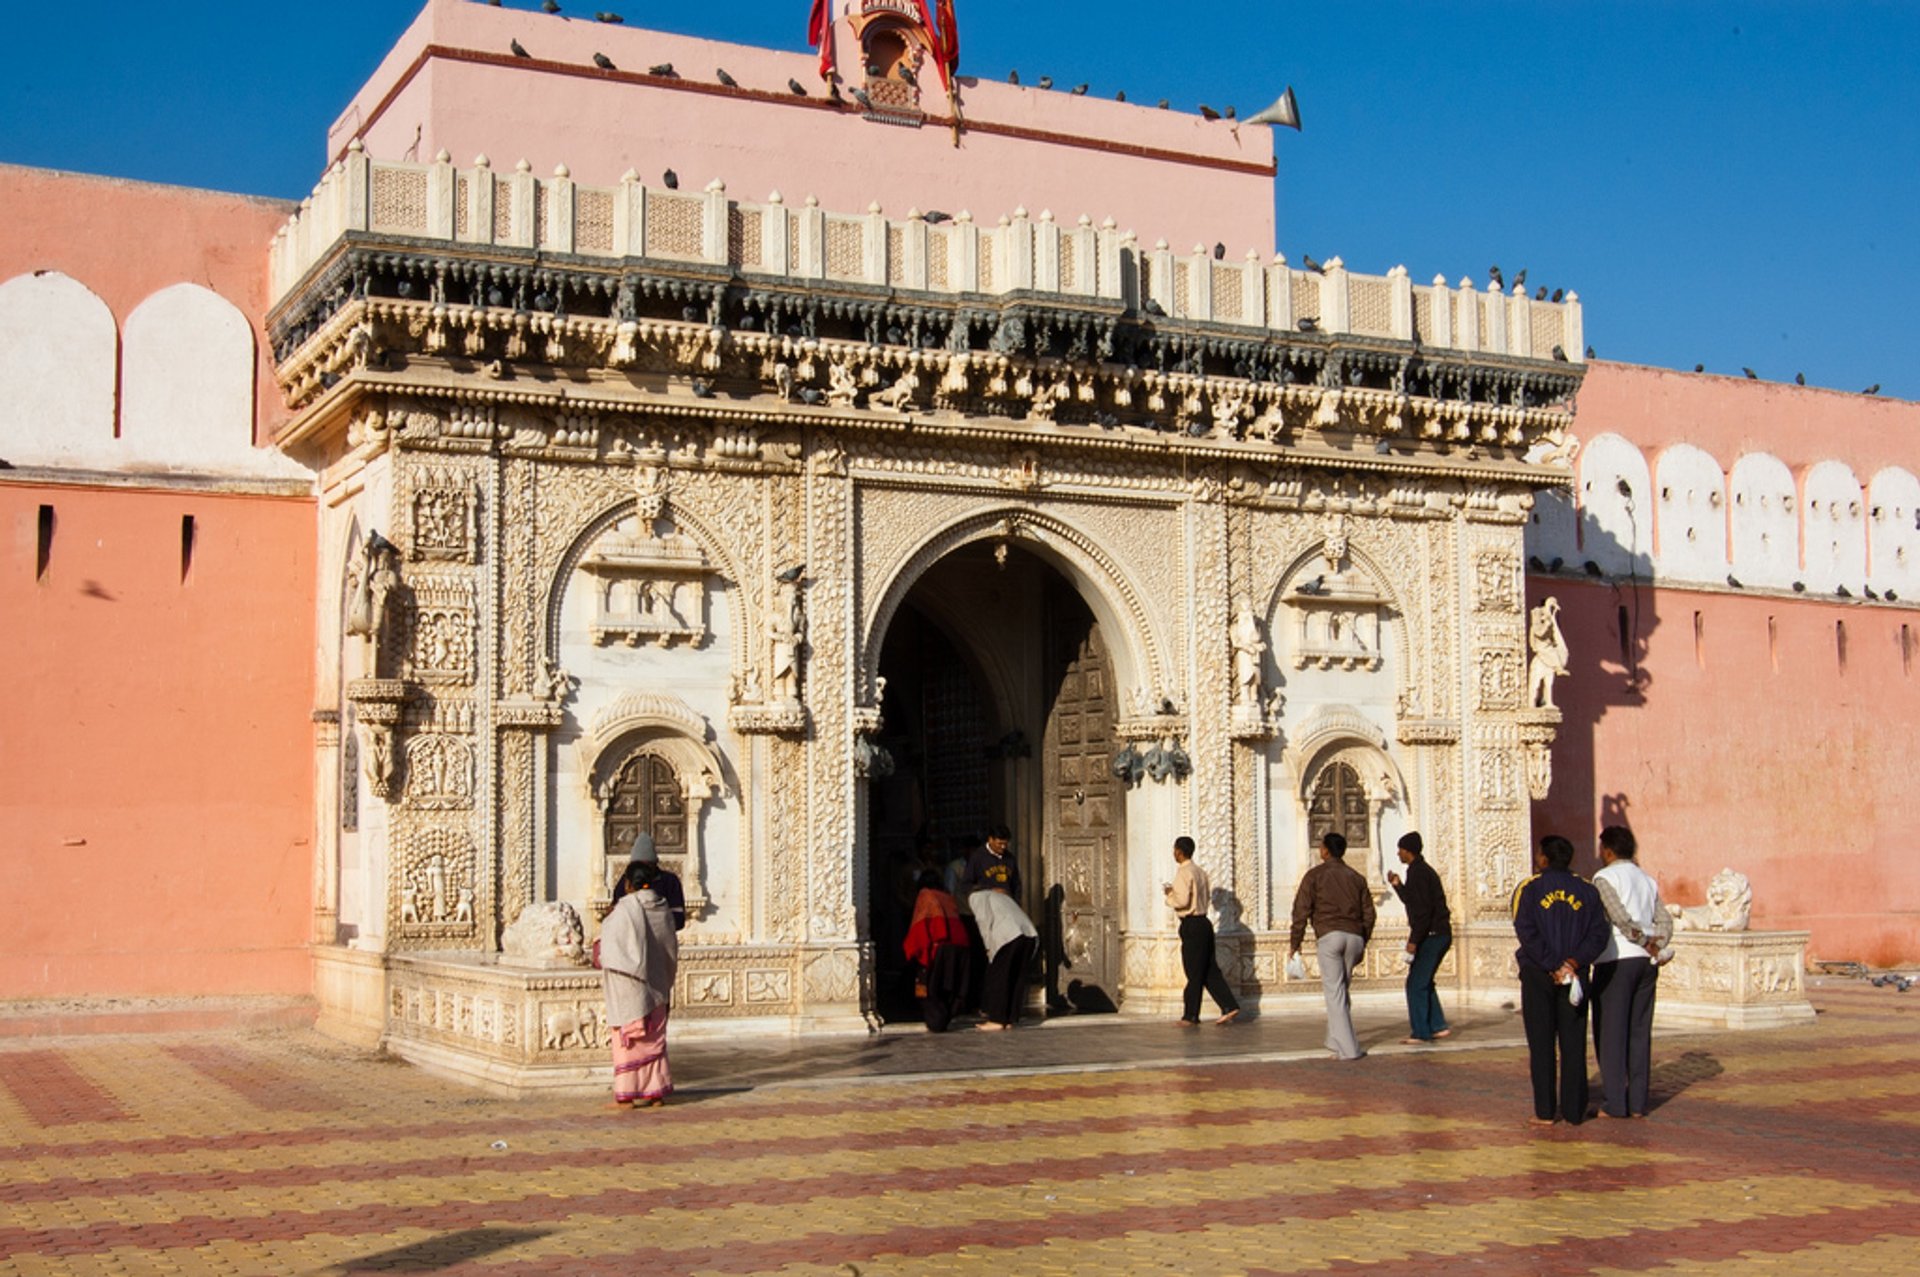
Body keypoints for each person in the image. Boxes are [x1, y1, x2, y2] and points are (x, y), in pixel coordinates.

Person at [1512, 834, 1610, 1126]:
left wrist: (1554, 964)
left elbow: (1525, 930)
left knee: (1541, 1044)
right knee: (1573, 1043)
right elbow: (1599, 934)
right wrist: (1572, 963)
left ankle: (1545, 1111)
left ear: (1543, 858)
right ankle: (1573, 1109)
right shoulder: (1587, 891)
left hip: (1539, 975)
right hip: (1575, 976)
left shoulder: (1529, 889)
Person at [1590, 825, 1670, 1119]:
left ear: (1608, 851)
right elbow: (1664, 920)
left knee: (1611, 1034)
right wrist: (1655, 943)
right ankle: (1637, 1102)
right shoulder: (1647, 880)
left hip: (1617, 958)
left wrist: (1641, 939)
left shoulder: (1604, 878)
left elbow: (1618, 917)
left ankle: (1615, 1102)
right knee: (1639, 1031)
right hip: (1645, 963)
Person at [599, 858, 679, 1109]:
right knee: (653, 1039)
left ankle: (627, 1095)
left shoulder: (623, 911)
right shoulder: (662, 907)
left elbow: (610, 950)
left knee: (630, 1044)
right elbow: (670, 947)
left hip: (630, 990)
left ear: (628, 885)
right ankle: (655, 1092)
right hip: (657, 986)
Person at [1289, 831, 1376, 1060]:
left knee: (1335, 993)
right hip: (1354, 937)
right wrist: (1362, 939)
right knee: (1341, 991)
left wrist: (1295, 943)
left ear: (1325, 851)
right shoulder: (1356, 877)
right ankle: (1333, 1039)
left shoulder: (1315, 876)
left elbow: (1301, 910)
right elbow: (1369, 913)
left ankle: (1349, 1050)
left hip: (1330, 936)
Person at [1164, 836, 1241, 1026]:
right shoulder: (1200, 872)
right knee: (1209, 969)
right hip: (1204, 923)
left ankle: (1190, 1015)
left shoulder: (1184, 872)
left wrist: (1169, 897)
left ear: (1179, 851)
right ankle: (1229, 1005)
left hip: (1191, 924)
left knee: (1194, 971)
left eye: (1175, 850)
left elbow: (1182, 901)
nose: (1174, 853)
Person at [1387, 831, 1452, 1045]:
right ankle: (1437, 1025)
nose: (1398, 853)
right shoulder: (1417, 872)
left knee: (1415, 984)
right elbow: (1414, 902)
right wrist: (1397, 885)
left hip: (1432, 935)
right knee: (1424, 981)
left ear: (1408, 851)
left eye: (1401, 850)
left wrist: (1414, 940)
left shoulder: (1420, 873)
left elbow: (1423, 912)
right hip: (1435, 933)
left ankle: (1421, 1032)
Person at [903, 870, 973, 1032]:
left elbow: (920, 925)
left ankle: (936, 1021)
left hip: (940, 946)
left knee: (929, 985)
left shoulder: (925, 895)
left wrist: (915, 949)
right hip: (960, 944)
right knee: (950, 985)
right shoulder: (947, 896)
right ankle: (945, 1017)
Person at [971, 880, 1039, 1031]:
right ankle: (1010, 1018)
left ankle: (997, 1018)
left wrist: (989, 948)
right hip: (1029, 934)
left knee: (999, 977)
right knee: (1017, 976)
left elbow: (984, 921)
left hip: (1008, 936)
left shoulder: (977, 897)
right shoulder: (1001, 897)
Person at [624, 832, 686, 931]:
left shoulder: (669, 881)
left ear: (654, 864)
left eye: (646, 866)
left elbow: (679, 918)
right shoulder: (627, 879)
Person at [963, 823, 1020, 898]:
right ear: (990, 840)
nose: (1003, 847)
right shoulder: (977, 857)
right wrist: (990, 890)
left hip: (1006, 904)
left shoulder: (1010, 858)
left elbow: (1016, 885)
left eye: (1005, 844)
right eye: (999, 844)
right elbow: (966, 885)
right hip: (986, 903)